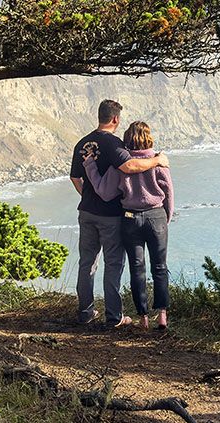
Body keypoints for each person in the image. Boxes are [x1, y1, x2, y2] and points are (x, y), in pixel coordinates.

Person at [70, 100, 169, 327]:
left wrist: (87, 196)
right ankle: (114, 317)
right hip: (110, 215)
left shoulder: (82, 143)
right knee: (113, 264)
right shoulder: (114, 144)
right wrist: (157, 160)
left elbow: (76, 178)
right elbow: (130, 167)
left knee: (87, 263)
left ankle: (86, 313)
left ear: (100, 116)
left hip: (86, 212)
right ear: (115, 119)